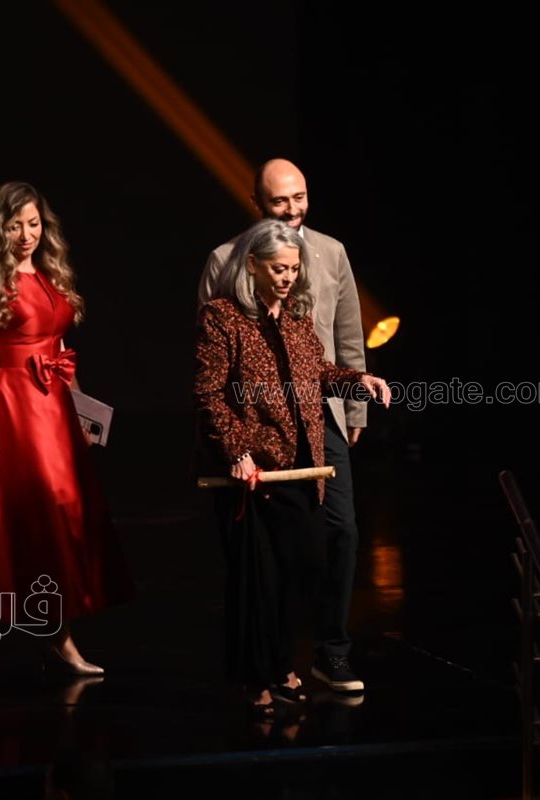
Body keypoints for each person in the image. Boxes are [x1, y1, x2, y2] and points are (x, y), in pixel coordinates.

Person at [193, 218, 389, 714]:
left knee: (303, 568)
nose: (287, 277)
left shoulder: (297, 317)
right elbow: (209, 393)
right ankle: (259, 677)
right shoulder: (223, 317)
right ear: (252, 266)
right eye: (278, 268)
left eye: (293, 269)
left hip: (300, 464)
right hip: (254, 472)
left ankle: (282, 662)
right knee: (259, 579)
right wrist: (236, 451)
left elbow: (315, 374)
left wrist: (357, 382)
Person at [0, 182, 132, 674]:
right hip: (15, 406)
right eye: (15, 226)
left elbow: (60, 352)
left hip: (55, 406)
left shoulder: (50, 273)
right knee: (16, 514)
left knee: (64, 513)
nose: (27, 235)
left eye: (34, 224)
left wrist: (82, 412)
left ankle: (57, 635)